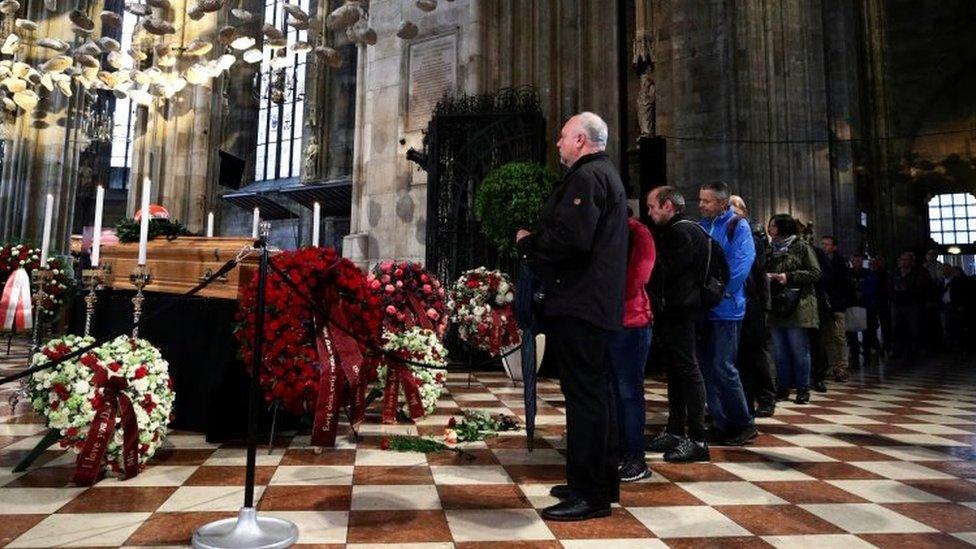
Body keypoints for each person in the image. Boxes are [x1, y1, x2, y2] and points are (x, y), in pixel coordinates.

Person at [516, 112, 627, 521]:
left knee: (586, 400)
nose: (558, 144)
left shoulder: (587, 177)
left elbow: (573, 238)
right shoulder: (603, 175)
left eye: (563, 137)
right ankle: (597, 481)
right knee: (596, 396)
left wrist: (530, 244)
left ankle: (590, 494)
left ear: (580, 139)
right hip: (593, 303)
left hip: (582, 304)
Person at [646, 186, 710, 463]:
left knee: (687, 369)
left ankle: (697, 439)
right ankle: (674, 430)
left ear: (668, 205)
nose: (649, 213)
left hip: (681, 311)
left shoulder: (680, 232)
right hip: (676, 310)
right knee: (675, 370)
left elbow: (665, 271)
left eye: (652, 207)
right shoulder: (684, 230)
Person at [697, 183, 756, 444]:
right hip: (705, 309)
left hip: (727, 308)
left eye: (707, 201)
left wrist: (718, 293)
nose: (701, 205)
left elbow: (740, 267)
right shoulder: (702, 226)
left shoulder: (737, 226)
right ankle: (721, 421)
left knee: (724, 366)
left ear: (722, 203)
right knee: (708, 367)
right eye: (700, 200)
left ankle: (743, 422)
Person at [608, 207, 655, 482]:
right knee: (613, 391)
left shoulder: (638, 232)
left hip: (632, 321)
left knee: (629, 392)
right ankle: (617, 451)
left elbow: (639, 275)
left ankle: (636, 458)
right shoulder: (606, 231)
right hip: (608, 322)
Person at [765, 214, 822, 405]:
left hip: (798, 305)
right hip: (777, 305)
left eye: (773, 226)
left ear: (783, 228)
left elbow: (815, 272)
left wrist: (788, 276)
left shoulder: (801, 246)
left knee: (799, 349)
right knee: (780, 351)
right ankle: (783, 387)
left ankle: (803, 388)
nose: (770, 229)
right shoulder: (770, 248)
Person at [729, 195, 777, 417]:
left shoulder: (753, 231)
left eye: (732, 208)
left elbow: (753, 264)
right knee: (740, 356)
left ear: (743, 212)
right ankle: (742, 401)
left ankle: (767, 398)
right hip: (738, 300)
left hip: (754, 298)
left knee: (758, 352)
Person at [818, 236, 852, 382]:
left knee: (839, 336)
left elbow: (843, 283)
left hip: (837, 304)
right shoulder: (820, 260)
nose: (824, 247)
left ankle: (842, 366)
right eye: (823, 244)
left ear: (834, 247)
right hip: (825, 305)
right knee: (827, 337)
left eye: (827, 244)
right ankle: (831, 366)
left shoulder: (840, 262)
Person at [889, 252, 931, 362]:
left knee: (913, 328)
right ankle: (897, 350)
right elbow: (889, 287)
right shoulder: (895, 273)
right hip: (897, 304)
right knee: (897, 328)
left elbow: (920, 289)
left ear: (911, 262)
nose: (903, 262)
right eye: (902, 259)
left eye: (906, 260)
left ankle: (913, 350)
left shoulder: (917, 274)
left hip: (911, 305)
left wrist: (906, 291)